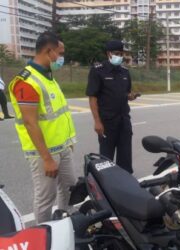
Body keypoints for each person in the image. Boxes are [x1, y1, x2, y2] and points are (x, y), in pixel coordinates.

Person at [8, 31, 77, 224]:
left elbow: (57, 115)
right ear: (49, 51)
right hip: (43, 153)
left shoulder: (47, 76)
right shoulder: (27, 82)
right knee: (46, 197)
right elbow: (30, 122)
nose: (61, 58)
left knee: (71, 188)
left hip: (62, 148)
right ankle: (44, 236)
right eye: (60, 53)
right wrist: (47, 158)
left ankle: (64, 225)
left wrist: (68, 142)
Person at [86, 40, 139, 174]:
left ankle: (125, 183)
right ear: (108, 54)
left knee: (125, 158)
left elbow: (125, 93)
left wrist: (130, 96)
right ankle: (106, 186)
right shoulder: (98, 71)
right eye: (117, 53)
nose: (120, 57)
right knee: (106, 160)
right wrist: (97, 121)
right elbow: (93, 97)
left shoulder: (125, 72)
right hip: (107, 122)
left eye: (121, 54)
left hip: (124, 121)